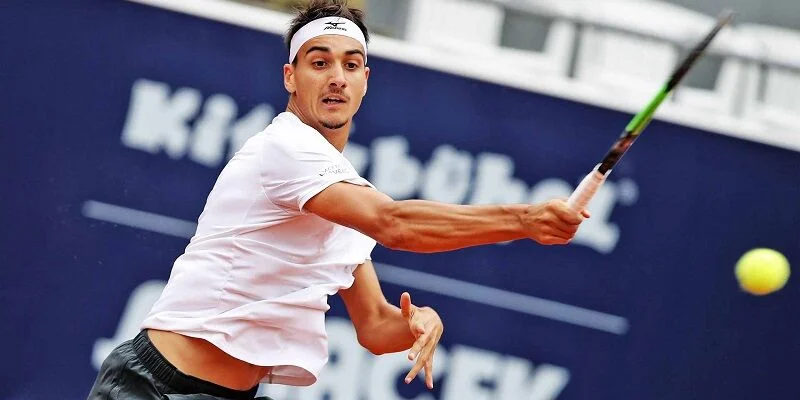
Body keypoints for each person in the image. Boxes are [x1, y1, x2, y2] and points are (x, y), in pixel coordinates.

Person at [87, 0, 587, 399]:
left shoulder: (338, 192)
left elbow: (374, 326)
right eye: (319, 62)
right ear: (290, 76)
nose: (336, 78)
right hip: (155, 387)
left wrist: (418, 322)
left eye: (351, 65)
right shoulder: (286, 147)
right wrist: (524, 218)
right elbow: (395, 224)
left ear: (365, 81)